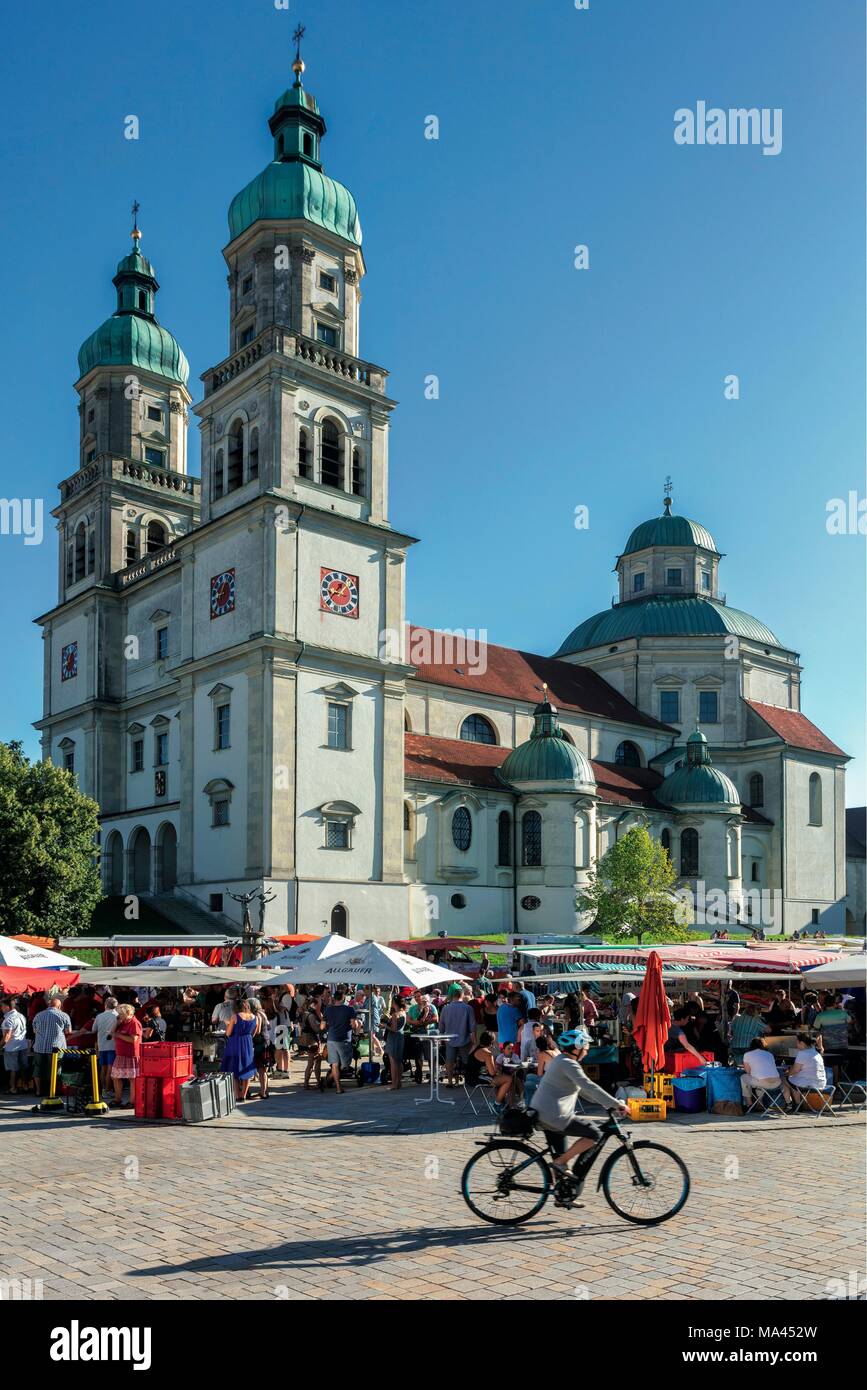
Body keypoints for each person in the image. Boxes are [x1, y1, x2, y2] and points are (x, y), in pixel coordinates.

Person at [532, 1029, 629, 1191]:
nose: (586, 1051)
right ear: (576, 1048)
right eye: (585, 1047)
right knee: (594, 1134)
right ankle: (560, 1163)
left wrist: (607, 1103)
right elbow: (589, 1087)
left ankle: (564, 1194)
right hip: (554, 1116)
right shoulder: (569, 1064)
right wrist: (616, 1104)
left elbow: (584, 1092)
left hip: (546, 1114)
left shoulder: (562, 1060)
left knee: (561, 1155)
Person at [32, 995, 72, 1098]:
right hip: (56, 1047)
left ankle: (38, 1091)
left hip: (39, 1047)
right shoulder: (64, 1015)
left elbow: (34, 1030)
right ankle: (53, 1091)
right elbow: (69, 1032)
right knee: (55, 1069)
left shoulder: (38, 1015)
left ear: (49, 1005)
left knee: (38, 1068)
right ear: (59, 1006)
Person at [464, 1031, 516, 1107]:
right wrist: (497, 1068)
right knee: (508, 1079)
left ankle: (508, 1105)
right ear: (492, 1042)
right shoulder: (487, 1054)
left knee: (505, 1079)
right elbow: (492, 1073)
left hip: (469, 1077)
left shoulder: (475, 1047)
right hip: (476, 1078)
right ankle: (497, 1104)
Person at [221, 998, 258, 1103]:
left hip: (235, 1044)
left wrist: (228, 1024)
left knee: (234, 1070)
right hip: (248, 1044)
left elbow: (228, 1033)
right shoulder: (255, 1017)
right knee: (247, 1069)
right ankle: (244, 1095)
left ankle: (237, 1096)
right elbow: (254, 1033)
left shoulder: (235, 1017)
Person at [439, 985, 477, 1086]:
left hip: (449, 1039)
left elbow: (441, 1025)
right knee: (466, 1060)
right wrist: (474, 1040)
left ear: (452, 996)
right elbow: (473, 1026)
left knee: (449, 1060)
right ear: (462, 995)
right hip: (464, 1038)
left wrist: (441, 1037)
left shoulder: (445, 1009)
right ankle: (468, 1081)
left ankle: (450, 1081)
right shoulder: (468, 1008)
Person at [324, 989, 357, 1095]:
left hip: (331, 1038)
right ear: (343, 998)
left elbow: (322, 1025)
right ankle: (330, 1078)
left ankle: (338, 1088)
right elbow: (354, 1025)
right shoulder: (349, 1009)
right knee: (345, 1064)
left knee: (334, 1064)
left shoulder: (328, 1010)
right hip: (343, 1039)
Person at [109, 1003, 142, 1107]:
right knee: (115, 1077)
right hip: (120, 1054)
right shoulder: (122, 1022)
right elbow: (111, 1032)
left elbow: (133, 1039)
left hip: (131, 1055)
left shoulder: (134, 1023)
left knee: (132, 1079)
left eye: (121, 1014)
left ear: (128, 1013)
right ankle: (117, 1099)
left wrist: (118, 1035)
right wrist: (117, 1022)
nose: (119, 1016)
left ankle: (132, 1102)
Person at [740, 1037, 791, 1106]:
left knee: (744, 1077)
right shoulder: (769, 1054)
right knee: (757, 1078)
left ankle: (749, 1104)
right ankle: (760, 1103)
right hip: (777, 1083)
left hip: (763, 1083)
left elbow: (748, 1071)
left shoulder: (747, 1054)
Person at [406, 991, 438, 1084]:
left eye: (419, 996)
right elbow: (408, 1020)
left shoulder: (431, 1006)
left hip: (429, 1034)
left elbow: (436, 1019)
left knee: (430, 1056)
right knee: (418, 1056)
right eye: (415, 997)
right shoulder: (412, 1008)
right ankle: (419, 1074)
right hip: (417, 1034)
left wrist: (422, 1023)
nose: (417, 998)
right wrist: (417, 1023)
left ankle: (433, 1076)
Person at [786, 1032, 828, 1099]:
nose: (796, 1045)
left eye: (797, 1043)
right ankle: (799, 1103)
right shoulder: (816, 1053)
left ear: (802, 1043)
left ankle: (797, 1103)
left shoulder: (802, 1053)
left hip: (809, 1083)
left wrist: (787, 1074)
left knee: (786, 1079)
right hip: (821, 1083)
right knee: (793, 1080)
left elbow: (795, 1070)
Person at [92, 996, 119, 1096]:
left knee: (103, 1069)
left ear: (105, 1005)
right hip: (113, 1045)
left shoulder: (99, 1016)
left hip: (102, 1045)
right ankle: (107, 1090)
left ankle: (104, 1090)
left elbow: (93, 1030)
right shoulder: (118, 1016)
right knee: (110, 1069)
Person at [1, 998, 28, 1095]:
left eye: (2, 1006)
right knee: (23, 1067)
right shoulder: (21, 1016)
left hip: (11, 1047)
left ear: (7, 1007)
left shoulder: (8, 1019)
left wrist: (0, 1046)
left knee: (13, 1069)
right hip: (23, 1045)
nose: (1, 1008)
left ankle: (13, 1088)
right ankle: (25, 1086)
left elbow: (7, 1036)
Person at [299, 992, 326, 1090]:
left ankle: (309, 1083)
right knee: (314, 1062)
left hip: (308, 1040)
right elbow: (316, 1029)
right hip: (312, 1040)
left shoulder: (305, 1013)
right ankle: (314, 1083)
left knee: (312, 1063)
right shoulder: (310, 1015)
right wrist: (323, 1024)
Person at [384, 995, 407, 1091]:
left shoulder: (395, 1014)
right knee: (399, 1061)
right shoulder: (403, 1013)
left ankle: (394, 1084)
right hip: (401, 1037)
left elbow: (393, 1029)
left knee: (393, 1062)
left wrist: (385, 1025)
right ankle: (399, 1082)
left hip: (393, 1038)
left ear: (394, 1003)